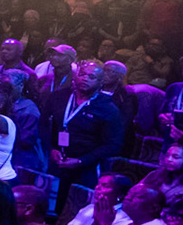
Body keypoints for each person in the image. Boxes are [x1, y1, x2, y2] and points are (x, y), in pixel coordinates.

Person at [45, 59, 126, 193]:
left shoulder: (107, 108)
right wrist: (52, 148)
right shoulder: (59, 97)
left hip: (87, 168)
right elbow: (43, 124)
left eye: (92, 77)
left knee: (77, 202)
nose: (85, 79)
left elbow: (113, 145)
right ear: (75, 76)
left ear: (101, 82)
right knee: (52, 201)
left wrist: (81, 161)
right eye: (82, 74)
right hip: (57, 162)